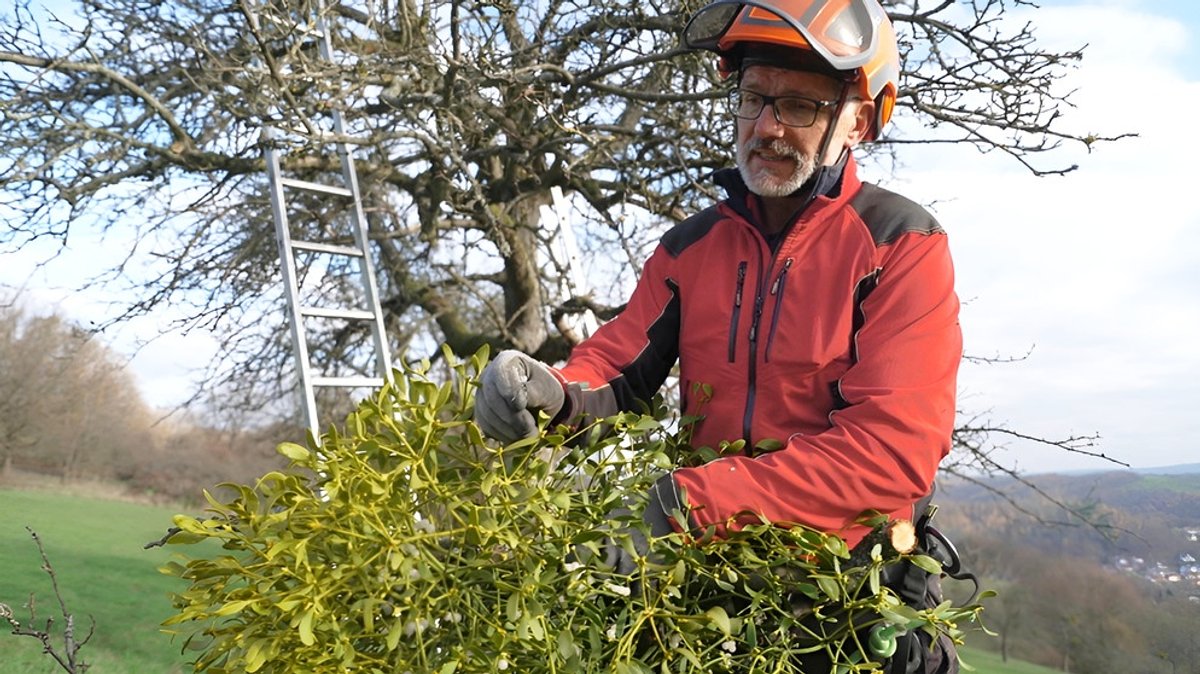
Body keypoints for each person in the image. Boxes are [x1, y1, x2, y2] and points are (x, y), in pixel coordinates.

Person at [474, 0, 961, 670]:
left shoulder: (899, 243)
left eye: (799, 106)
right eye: (754, 98)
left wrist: (689, 504)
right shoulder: (691, 248)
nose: (767, 126)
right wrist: (551, 391)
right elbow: (619, 365)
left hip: (851, 602)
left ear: (859, 119)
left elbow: (891, 454)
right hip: (715, 595)